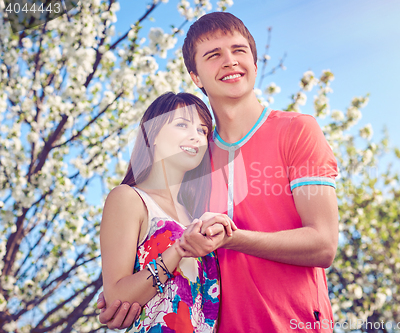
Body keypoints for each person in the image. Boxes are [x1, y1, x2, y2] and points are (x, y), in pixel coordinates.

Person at [99, 12, 339, 332]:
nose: (229, 61)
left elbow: (323, 245)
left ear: (254, 63)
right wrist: (120, 299)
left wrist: (233, 240)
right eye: (213, 55)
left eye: (239, 50)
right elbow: (158, 239)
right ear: (196, 76)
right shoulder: (192, 162)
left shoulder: (298, 131)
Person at [99, 92, 235, 332]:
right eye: (182, 124)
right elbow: (117, 297)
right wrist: (179, 249)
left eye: (203, 130)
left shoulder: (197, 215)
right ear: (152, 135)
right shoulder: (129, 198)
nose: (196, 136)